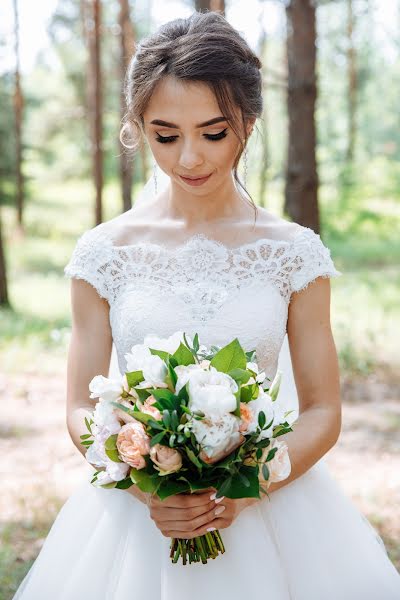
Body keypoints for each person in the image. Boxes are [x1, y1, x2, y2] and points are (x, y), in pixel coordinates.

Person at [13, 10, 400, 600]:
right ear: (138, 125)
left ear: (247, 122)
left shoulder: (293, 253)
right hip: (136, 524)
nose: (190, 158)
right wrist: (149, 488)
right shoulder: (103, 253)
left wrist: (251, 484)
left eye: (213, 133)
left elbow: (323, 412)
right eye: (165, 135)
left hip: (273, 514)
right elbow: (77, 406)